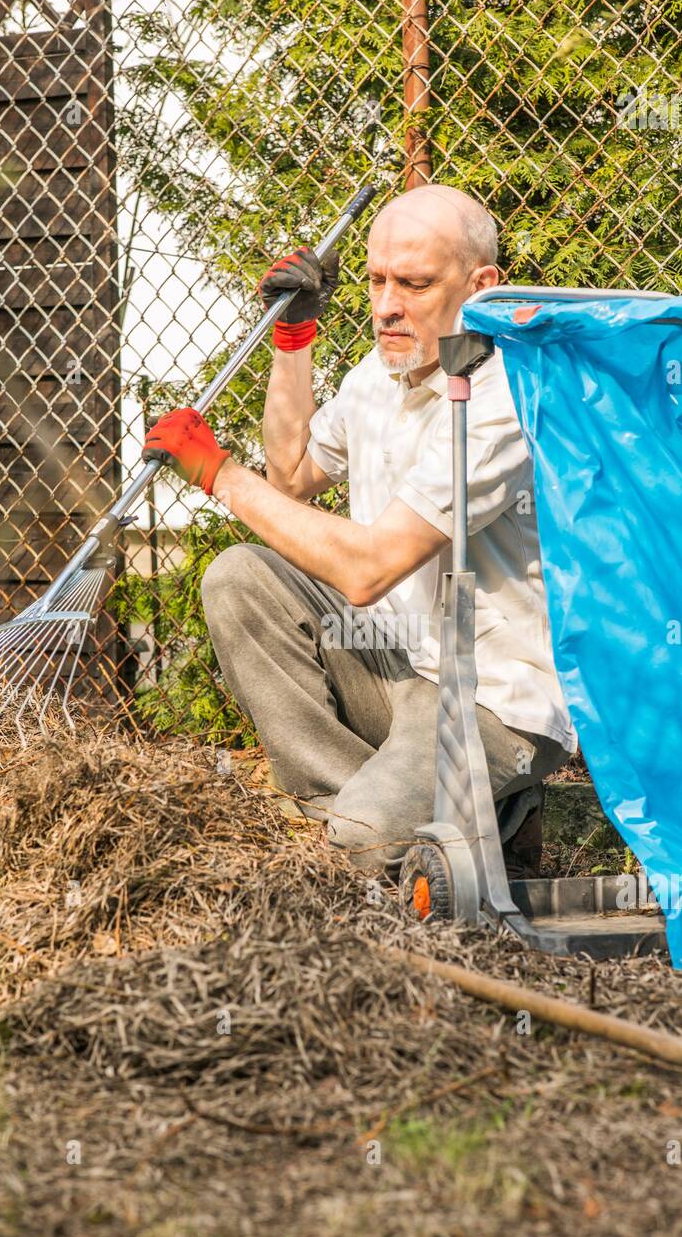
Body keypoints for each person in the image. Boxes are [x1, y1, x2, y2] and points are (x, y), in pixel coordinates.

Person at [142, 183, 577, 879]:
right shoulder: (379, 375)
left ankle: (477, 810)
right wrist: (294, 339)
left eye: (415, 283)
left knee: (366, 842)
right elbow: (288, 478)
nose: (386, 307)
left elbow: (370, 568)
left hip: (491, 701)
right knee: (242, 576)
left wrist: (218, 474)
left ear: (482, 286)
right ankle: (347, 803)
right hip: (394, 663)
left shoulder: (503, 400)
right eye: (376, 281)